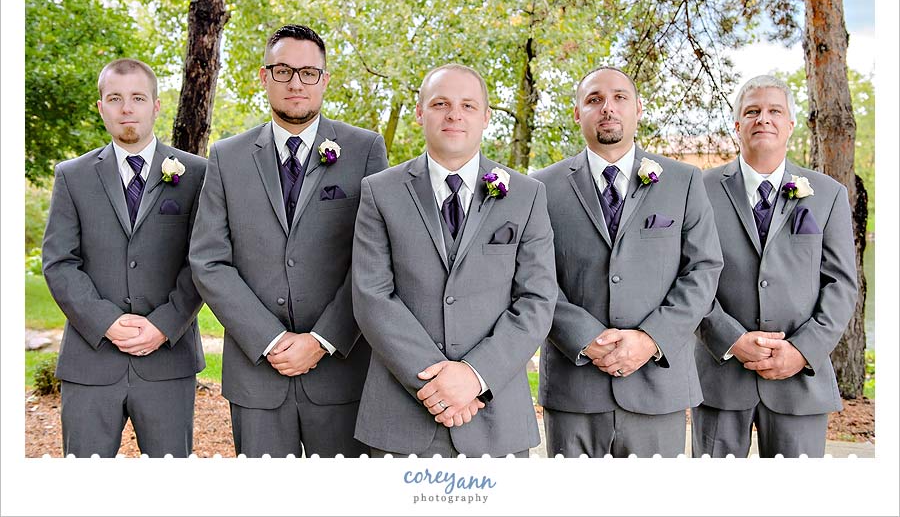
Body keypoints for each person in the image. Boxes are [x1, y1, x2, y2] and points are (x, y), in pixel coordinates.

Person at [189, 24, 388, 458]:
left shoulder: (365, 150)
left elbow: (374, 261)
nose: (296, 83)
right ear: (265, 77)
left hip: (341, 372)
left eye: (308, 72)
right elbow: (209, 260)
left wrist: (322, 340)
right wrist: (268, 339)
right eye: (283, 71)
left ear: (324, 80)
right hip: (257, 374)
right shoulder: (226, 156)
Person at [351, 64, 557, 457]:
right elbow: (371, 295)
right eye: (440, 104)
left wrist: (474, 376)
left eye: (467, 105)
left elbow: (537, 299)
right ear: (420, 112)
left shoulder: (527, 195)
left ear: (486, 117)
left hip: (496, 418)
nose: (454, 115)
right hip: (401, 415)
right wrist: (437, 384)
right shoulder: (379, 192)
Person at [532, 66, 723, 458]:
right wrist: (586, 339)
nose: (608, 107)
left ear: (638, 108)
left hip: (658, 385)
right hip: (574, 387)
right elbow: (534, 276)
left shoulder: (684, 181)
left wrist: (650, 339)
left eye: (620, 97)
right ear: (577, 113)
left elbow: (703, 269)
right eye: (594, 99)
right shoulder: (540, 188)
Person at [42, 58, 206, 457]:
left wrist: (164, 325)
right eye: (115, 98)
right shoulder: (72, 176)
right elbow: (60, 262)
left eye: (137, 98)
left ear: (156, 105)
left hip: (168, 362)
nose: (126, 108)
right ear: (101, 107)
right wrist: (107, 322)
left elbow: (203, 260)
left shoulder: (197, 174)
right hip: (91, 361)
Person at [692, 75, 857, 458]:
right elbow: (688, 276)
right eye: (752, 111)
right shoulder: (698, 190)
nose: (763, 118)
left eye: (774, 111)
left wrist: (801, 350)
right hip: (720, 377)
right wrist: (731, 340)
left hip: (800, 381)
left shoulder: (828, 194)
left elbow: (841, 285)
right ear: (737, 125)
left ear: (790, 124)